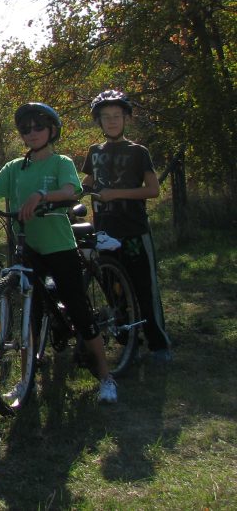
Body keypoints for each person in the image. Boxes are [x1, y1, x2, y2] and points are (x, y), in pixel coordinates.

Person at [0, 102, 119, 404]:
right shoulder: (15, 168)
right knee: (29, 317)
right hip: (26, 248)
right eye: (25, 128)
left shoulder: (61, 163)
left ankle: (105, 377)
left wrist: (42, 196)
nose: (31, 133)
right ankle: (25, 380)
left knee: (79, 310)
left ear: (51, 130)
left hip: (59, 247)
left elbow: (72, 191)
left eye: (38, 127)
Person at [82, 90, 171, 362]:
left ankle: (158, 343)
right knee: (113, 288)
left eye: (117, 116)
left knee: (144, 287)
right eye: (106, 117)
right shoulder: (94, 152)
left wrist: (115, 194)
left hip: (133, 230)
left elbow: (153, 190)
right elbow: (86, 183)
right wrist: (73, 193)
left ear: (125, 119)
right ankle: (126, 338)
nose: (111, 121)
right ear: (99, 121)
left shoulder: (138, 152)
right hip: (105, 232)